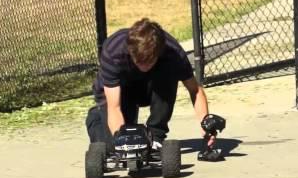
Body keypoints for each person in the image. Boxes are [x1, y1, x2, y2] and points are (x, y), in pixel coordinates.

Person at [85, 17, 217, 153]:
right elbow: (114, 107)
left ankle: (156, 135)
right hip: (118, 90)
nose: (143, 66)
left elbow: (195, 90)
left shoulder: (173, 52)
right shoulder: (113, 51)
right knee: (112, 147)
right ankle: (96, 117)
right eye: (139, 61)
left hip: (151, 87)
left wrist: (205, 124)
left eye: (149, 62)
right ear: (130, 51)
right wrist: (123, 139)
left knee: (168, 72)